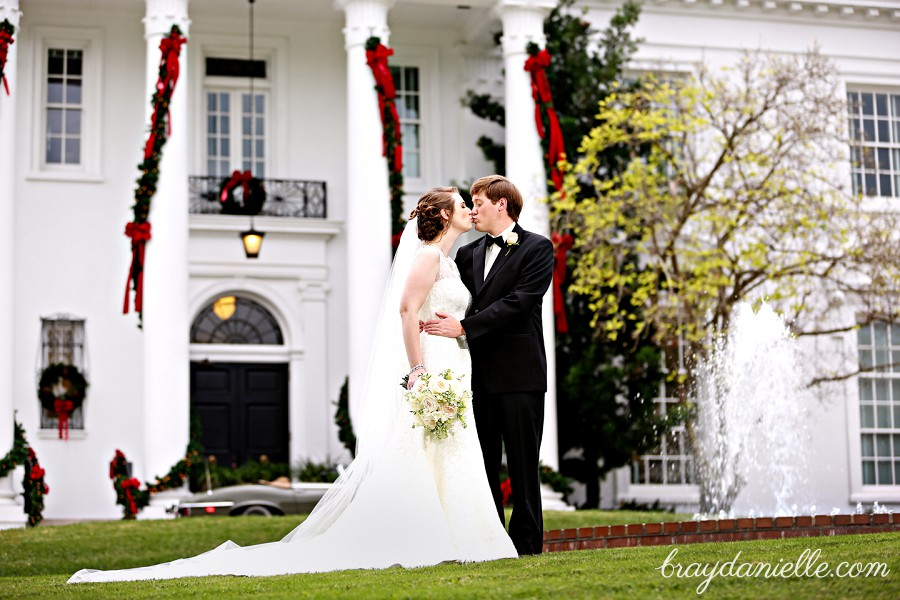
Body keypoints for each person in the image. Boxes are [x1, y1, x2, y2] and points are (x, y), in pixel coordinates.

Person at [68, 187, 516, 583]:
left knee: (451, 449)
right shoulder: (425, 257)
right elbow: (406, 311)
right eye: (463, 205)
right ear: (442, 215)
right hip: (431, 366)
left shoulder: (451, 261)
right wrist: (417, 371)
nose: (469, 211)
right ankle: (420, 534)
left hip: (455, 366)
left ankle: (462, 534)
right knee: (423, 449)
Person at [424, 175, 554, 556]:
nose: (472, 209)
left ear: (502, 204)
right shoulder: (466, 254)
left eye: (478, 202)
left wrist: (464, 326)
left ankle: (527, 545)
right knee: (481, 466)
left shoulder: (537, 248)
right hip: (474, 375)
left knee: (523, 466)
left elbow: (520, 302)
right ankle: (493, 542)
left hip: (520, 375)